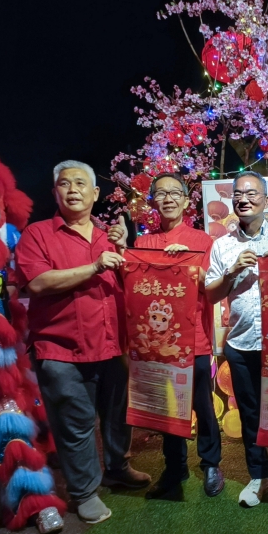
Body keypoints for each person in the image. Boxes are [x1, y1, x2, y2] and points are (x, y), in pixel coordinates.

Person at [16, 159, 150, 525]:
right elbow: (38, 283)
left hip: (112, 346)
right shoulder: (38, 235)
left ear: (95, 193)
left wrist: (128, 253)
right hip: (61, 350)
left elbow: (135, 288)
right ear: (55, 192)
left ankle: (118, 467)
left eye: (80, 183)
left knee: (118, 415)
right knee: (74, 423)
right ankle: (84, 493)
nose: (72, 189)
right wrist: (94, 267)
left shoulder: (111, 236)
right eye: (64, 183)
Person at [108, 173, 224, 498]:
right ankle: (175, 468)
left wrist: (189, 263)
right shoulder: (142, 244)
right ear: (153, 203)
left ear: (187, 201)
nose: (169, 198)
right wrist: (119, 249)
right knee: (167, 408)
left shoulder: (204, 241)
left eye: (175, 193)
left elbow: (213, 288)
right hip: (158, 348)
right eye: (161, 194)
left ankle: (211, 463)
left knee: (203, 404)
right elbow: (129, 287)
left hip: (196, 341)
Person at [204, 171, 268, 509]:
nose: (243, 199)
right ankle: (259, 477)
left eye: (251, 193)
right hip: (241, 343)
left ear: (266, 200)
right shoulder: (223, 245)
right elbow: (209, 294)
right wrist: (233, 270)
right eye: (238, 193)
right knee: (250, 413)